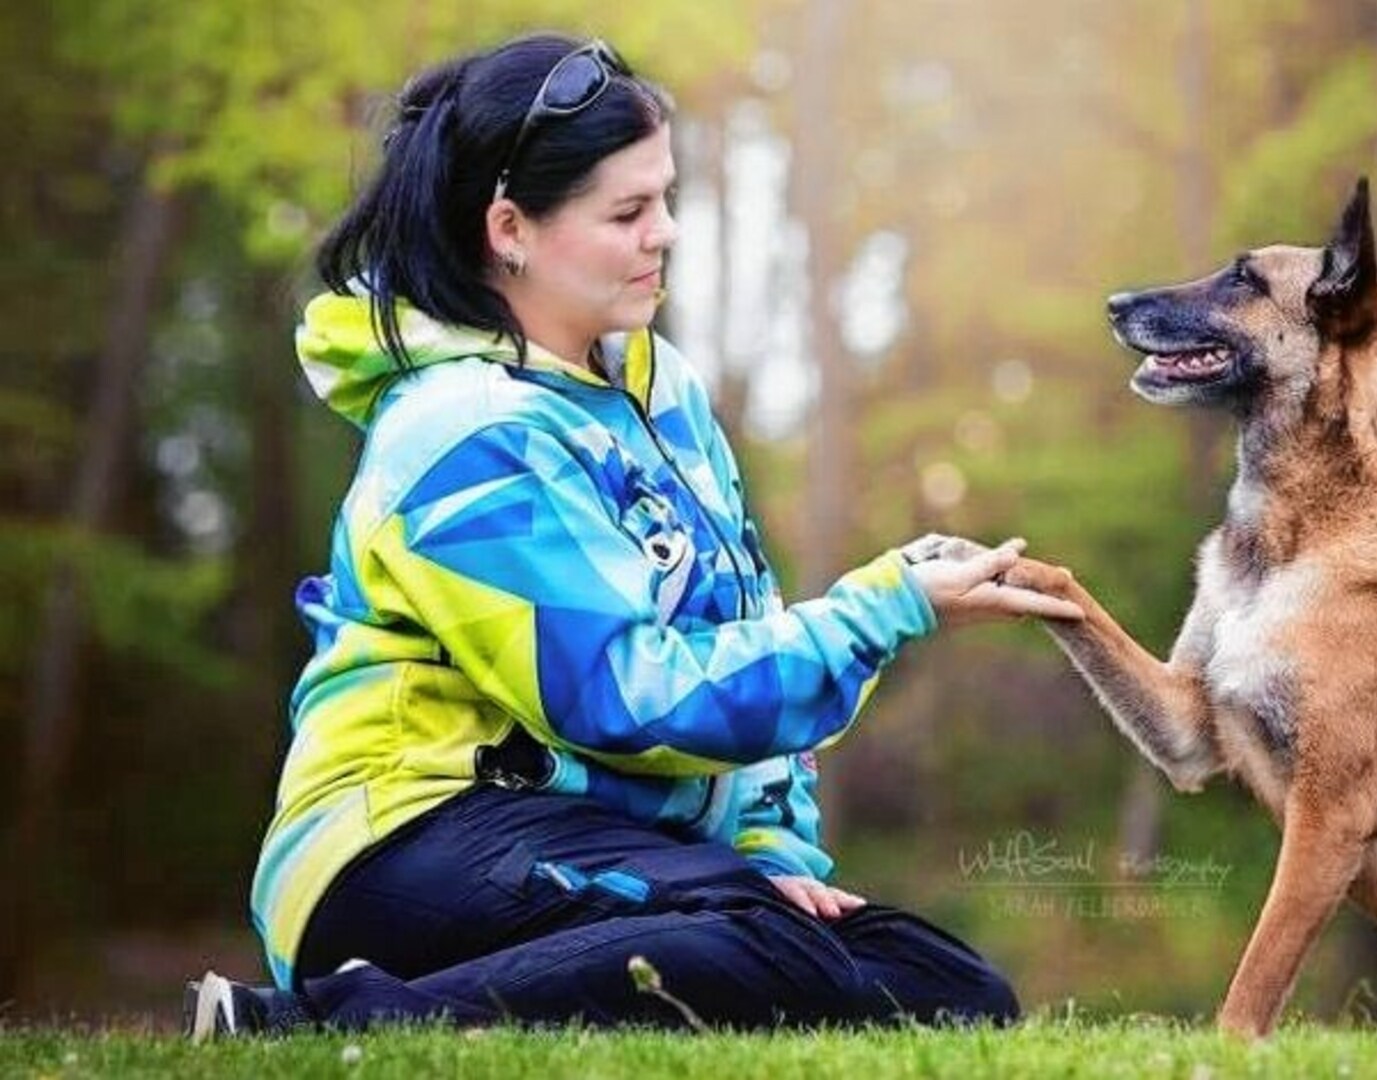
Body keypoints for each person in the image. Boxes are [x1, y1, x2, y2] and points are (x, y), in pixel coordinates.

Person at [183, 31, 1082, 1039]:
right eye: (628, 211)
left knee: (944, 983)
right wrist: (886, 610)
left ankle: (700, 927)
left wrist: (770, 851)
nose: (665, 233)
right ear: (510, 228)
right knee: (768, 943)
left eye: (666, 199)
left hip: (595, 842)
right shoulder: (460, 435)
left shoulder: (664, 389)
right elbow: (622, 695)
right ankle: (321, 1021)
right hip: (400, 844)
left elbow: (743, 618)